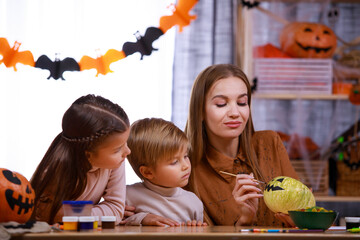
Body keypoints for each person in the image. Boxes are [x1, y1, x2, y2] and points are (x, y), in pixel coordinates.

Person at [184, 64, 298, 227]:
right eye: (221, 104)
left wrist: (301, 220)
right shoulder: (188, 170)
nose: (235, 113)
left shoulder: (270, 142)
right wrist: (245, 220)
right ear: (200, 111)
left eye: (242, 102)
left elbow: (303, 218)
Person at [30, 94, 131, 225]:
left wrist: (72, 214)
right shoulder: (57, 171)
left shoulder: (116, 162)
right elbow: (48, 214)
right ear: (88, 155)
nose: (128, 152)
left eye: (125, 143)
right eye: (117, 149)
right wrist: (101, 214)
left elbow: (115, 210)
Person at [124, 118, 206, 226]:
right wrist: (141, 218)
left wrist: (196, 230)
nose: (186, 166)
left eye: (186, 156)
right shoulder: (126, 195)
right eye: (174, 162)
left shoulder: (193, 202)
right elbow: (107, 222)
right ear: (148, 172)